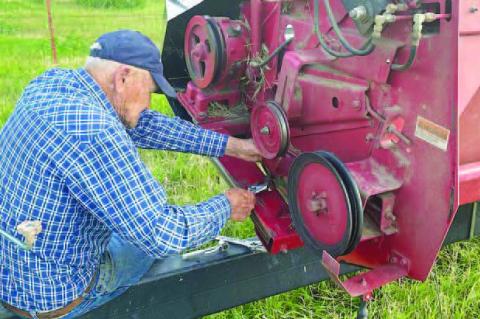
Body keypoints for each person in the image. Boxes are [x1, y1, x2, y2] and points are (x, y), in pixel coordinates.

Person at [0, 30, 260, 319]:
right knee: (145, 243)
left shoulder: (53, 84)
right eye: (148, 90)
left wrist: (232, 146)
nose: (148, 102)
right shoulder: (95, 132)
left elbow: (146, 125)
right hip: (50, 295)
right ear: (123, 77)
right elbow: (161, 234)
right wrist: (226, 206)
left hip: (13, 264)